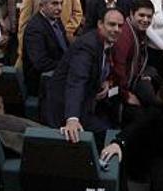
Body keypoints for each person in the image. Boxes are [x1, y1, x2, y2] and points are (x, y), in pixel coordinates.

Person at [43, 8, 124, 142]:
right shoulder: (87, 46)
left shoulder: (108, 42)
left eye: (120, 26)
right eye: (111, 24)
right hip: (65, 108)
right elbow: (76, 81)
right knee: (108, 134)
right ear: (100, 24)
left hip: (89, 100)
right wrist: (72, 119)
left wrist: (106, 82)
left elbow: (105, 67)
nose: (116, 29)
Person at [110, 0, 157, 109]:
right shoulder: (125, 34)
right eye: (141, 15)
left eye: (149, 17)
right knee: (149, 100)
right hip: (118, 85)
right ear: (131, 14)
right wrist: (126, 95)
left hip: (135, 75)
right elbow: (118, 67)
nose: (145, 20)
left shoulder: (140, 31)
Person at [22, 0, 70, 95]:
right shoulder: (35, 29)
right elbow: (40, 63)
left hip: (59, 75)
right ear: (41, 6)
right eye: (54, 4)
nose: (59, 8)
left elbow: (64, 48)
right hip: (42, 84)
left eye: (61, 3)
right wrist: (67, 65)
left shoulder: (55, 19)